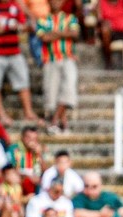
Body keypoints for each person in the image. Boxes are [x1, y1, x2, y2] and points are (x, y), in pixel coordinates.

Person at [36, 0, 79, 133]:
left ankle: (54, 121)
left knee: (69, 89)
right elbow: (43, 37)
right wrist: (63, 33)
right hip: (50, 59)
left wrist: (54, 34)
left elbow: (75, 34)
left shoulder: (69, 18)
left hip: (67, 58)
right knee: (52, 92)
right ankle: (63, 123)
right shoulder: (43, 19)